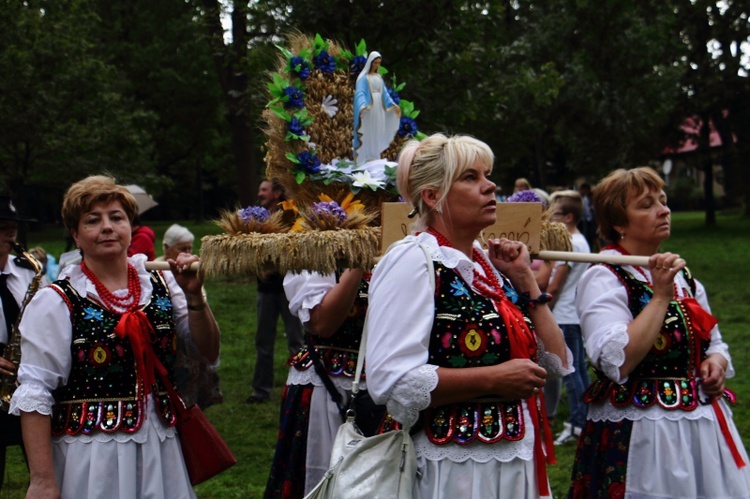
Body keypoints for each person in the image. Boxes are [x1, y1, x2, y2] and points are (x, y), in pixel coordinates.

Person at [365, 133, 571, 498]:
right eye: (471, 177)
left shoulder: (486, 268)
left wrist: (526, 280)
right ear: (432, 196)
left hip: (512, 459)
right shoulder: (413, 260)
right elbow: (391, 380)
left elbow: (555, 363)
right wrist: (492, 379)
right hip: (453, 467)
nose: (490, 185)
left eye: (487, 174)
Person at [9, 175, 221, 498]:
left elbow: (207, 352)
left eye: (117, 217)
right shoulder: (56, 301)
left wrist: (196, 299)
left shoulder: (163, 283)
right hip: (92, 456)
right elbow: (36, 392)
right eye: (93, 220)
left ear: (130, 229)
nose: (107, 227)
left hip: (161, 447)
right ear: (76, 236)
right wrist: (41, 479)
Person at [569, 167, 750, 498]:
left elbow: (717, 342)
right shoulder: (604, 276)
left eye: (663, 201)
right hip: (644, 434)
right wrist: (660, 297)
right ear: (618, 223)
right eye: (647, 204)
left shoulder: (682, 277)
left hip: (700, 429)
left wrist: (716, 365)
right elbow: (616, 360)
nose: (663, 210)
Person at [264, 268, 387, 497]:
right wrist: (356, 265)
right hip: (328, 389)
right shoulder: (317, 249)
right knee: (323, 481)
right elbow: (322, 323)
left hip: (385, 389)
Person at [0, 195, 43, 491]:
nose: (11, 234)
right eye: (3, 227)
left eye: (14, 227)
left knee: (43, 468)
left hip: (24, 374)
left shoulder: (27, 271)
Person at [248, 179, 304, 403]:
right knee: (263, 342)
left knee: (296, 341)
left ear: (277, 193)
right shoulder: (256, 217)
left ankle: (299, 389)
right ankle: (261, 391)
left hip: (289, 289)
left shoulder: (291, 215)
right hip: (266, 289)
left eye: (264, 190)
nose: (260, 193)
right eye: (260, 189)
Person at [157, 224, 223, 409]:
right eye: (182, 248)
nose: (187, 252)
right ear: (167, 247)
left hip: (192, 352)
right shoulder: (150, 271)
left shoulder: (189, 270)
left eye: (189, 248)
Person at [543, 190, 591, 445]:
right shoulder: (581, 241)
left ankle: (577, 423)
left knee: (570, 373)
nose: (550, 217)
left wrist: (543, 314)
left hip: (563, 315)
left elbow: (554, 287)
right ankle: (582, 420)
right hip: (574, 314)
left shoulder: (569, 243)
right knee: (579, 371)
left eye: (555, 213)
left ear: (569, 217)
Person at [352, 51, 401, 164]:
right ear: (370, 62)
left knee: (377, 130)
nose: (377, 65)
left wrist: (393, 105)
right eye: (375, 63)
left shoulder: (379, 77)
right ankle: (365, 155)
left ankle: (374, 154)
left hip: (379, 109)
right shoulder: (364, 78)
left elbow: (385, 95)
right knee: (368, 130)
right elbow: (360, 93)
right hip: (369, 109)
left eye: (379, 63)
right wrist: (363, 106)